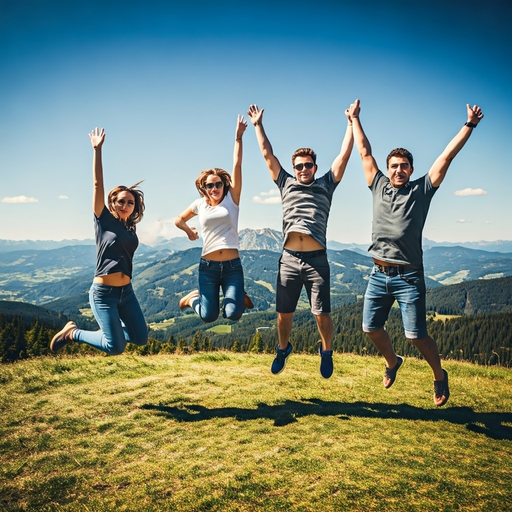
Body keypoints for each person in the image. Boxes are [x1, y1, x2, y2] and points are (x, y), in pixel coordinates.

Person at [349, 98, 484, 406]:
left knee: (416, 335)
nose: (398, 170)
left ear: (411, 170)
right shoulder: (377, 185)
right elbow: (364, 151)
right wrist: (355, 119)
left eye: (404, 166)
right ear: (387, 169)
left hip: (409, 276)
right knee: (370, 328)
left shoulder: (421, 190)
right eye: (394, 166)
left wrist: (470, 125)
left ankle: (439, 375)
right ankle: (392, 361)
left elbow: (446, 157)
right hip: (377, 274)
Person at [247, 103, 354, 378]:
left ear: (315, 167)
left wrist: (351, 123)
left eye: (307, 165)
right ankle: (283, 349)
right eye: (298, 166)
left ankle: (326, 351)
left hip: (317, 260)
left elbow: (344, 156)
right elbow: (267, 154)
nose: (303, 169)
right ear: (294, 169)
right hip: (289, 259)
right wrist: (258, 125)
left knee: (322, 314)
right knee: (284, 314)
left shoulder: (326, 184)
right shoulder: (285, 183)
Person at [50, 127, 148, 355]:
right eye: (121, 201)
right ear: (112, 203)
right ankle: (72, 333)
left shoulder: (130, 228)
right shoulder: (103, 220)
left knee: (140, 338)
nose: (125, 205)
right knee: (115, 348)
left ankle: (110, 329)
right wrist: (97, 150)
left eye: (130, 202)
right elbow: (97, 184)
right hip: (103, 293)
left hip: (127, 292)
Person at [175, 115, 253, 323]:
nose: (215, 188)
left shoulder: (232, 200)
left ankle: (236, 299)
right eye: (210, 185)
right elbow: (178, 220)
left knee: (233, 315)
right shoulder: (199, 204)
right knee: (209, 316)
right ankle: (193, 299)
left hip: (232, 266)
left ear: (223, 185)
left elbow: (237, 165)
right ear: (204, 188)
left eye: (218, 184)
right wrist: (189, 231)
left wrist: (238, 138)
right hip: (208, 267)